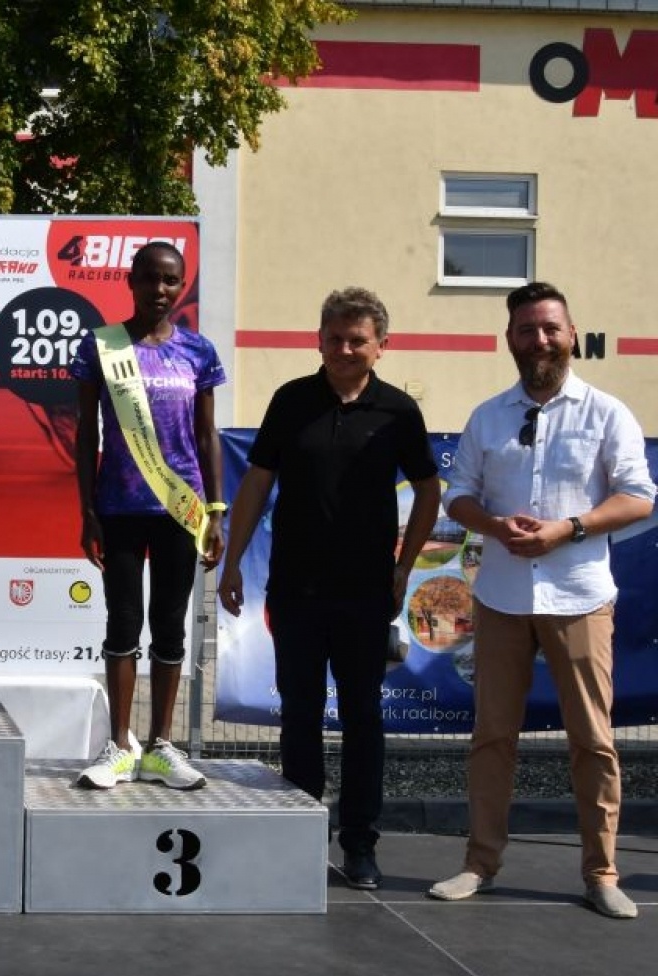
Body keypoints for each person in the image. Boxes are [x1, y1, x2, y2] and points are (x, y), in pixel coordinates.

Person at [428, 282, 654, 920]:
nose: (540, 341)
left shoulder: (607, 412)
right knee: (492, 737)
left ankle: (601, 873)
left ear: (572, 334)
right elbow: (457, 495)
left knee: (593, 740)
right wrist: (495, 526)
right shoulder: (487, 416)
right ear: (510, 340)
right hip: (501, 596)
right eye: (527, 330)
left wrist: (569, 529)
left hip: (580, 598)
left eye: (551, 328)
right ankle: (479, 864)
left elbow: (639, 497)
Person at [218, 288, 439, 891]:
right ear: (319, 341)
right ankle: (301, 833)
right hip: (296, 589)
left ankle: (361, 844)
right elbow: (257, 481)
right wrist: (231, 562)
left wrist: (404, 565)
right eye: (334, 338)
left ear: (381, 348)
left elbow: (428, 489)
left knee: (365, 717)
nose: (344, 349)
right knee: (300, 715)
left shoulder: (398, 412)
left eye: (356, 340)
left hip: (367, 592)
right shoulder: (291, 401)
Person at [70, 241, 225, 791]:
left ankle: (161, 746)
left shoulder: (198, 351)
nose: (160, 290)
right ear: (131, 281)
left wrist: (215, 510)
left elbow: (207, 435)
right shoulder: (102, 347)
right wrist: (87, 508)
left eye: (170, 280)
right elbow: (86, 431)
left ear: (181, 286)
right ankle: (118, 746)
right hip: (119, 505)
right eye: (150, 278)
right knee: (122, 623)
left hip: (180, 509)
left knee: (169, 625)